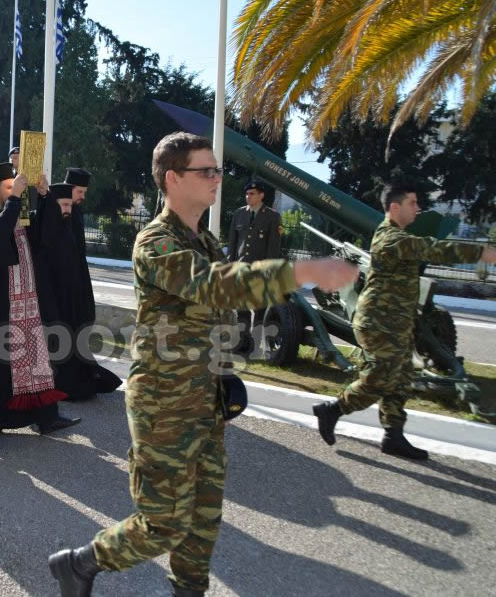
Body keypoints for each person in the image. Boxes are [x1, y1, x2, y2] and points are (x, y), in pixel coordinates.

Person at [48, 132, 358, 597]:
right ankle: (79, 563)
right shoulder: (155, 241)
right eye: (206, 170)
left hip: (205, 399)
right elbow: (212, 286)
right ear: (173, 179)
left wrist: (224, 371)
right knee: (164, 524)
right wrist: (302, 271)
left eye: (218, 169)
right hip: (164, 404)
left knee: (204, 516)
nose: (217, 178)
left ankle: (188, 590)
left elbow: (215, 313)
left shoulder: (207, 241)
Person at [313, 180, 496, 461]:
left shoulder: (398, 236)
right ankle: (332, 410)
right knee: (379, 379)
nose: (418, 208)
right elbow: (434, 249)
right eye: (413, 203)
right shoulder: (392, 239)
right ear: (395, 207)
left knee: (400, 379)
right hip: (378, 323)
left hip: (395, 323)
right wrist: (481, 253)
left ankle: (393, 436)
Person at [0, 162, 79, 434]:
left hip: (28, 303)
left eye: (14, 186)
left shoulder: (19, 216)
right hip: (0, 305)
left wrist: (44, 194)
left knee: (36, 360)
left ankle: (45, 417)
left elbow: (47, 234)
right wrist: (15, 198)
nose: (13, 190)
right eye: (7, 187)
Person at [31, 181, 121, 400]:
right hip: (52, 301)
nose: (67, 210)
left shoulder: (67, 226)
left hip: (70, 300)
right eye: (63, 205)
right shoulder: (43, 228)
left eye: (70, 206)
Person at [227, 180, 282, 352]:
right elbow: (233, 242)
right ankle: (242, 342)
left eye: (252, 194)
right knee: (241, 309)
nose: (248, 197)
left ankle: (256, 345)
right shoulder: (239, 214)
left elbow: (274, 246)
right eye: (246, 194)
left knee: (259, 309)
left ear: (261, 195)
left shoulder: (272, 217)